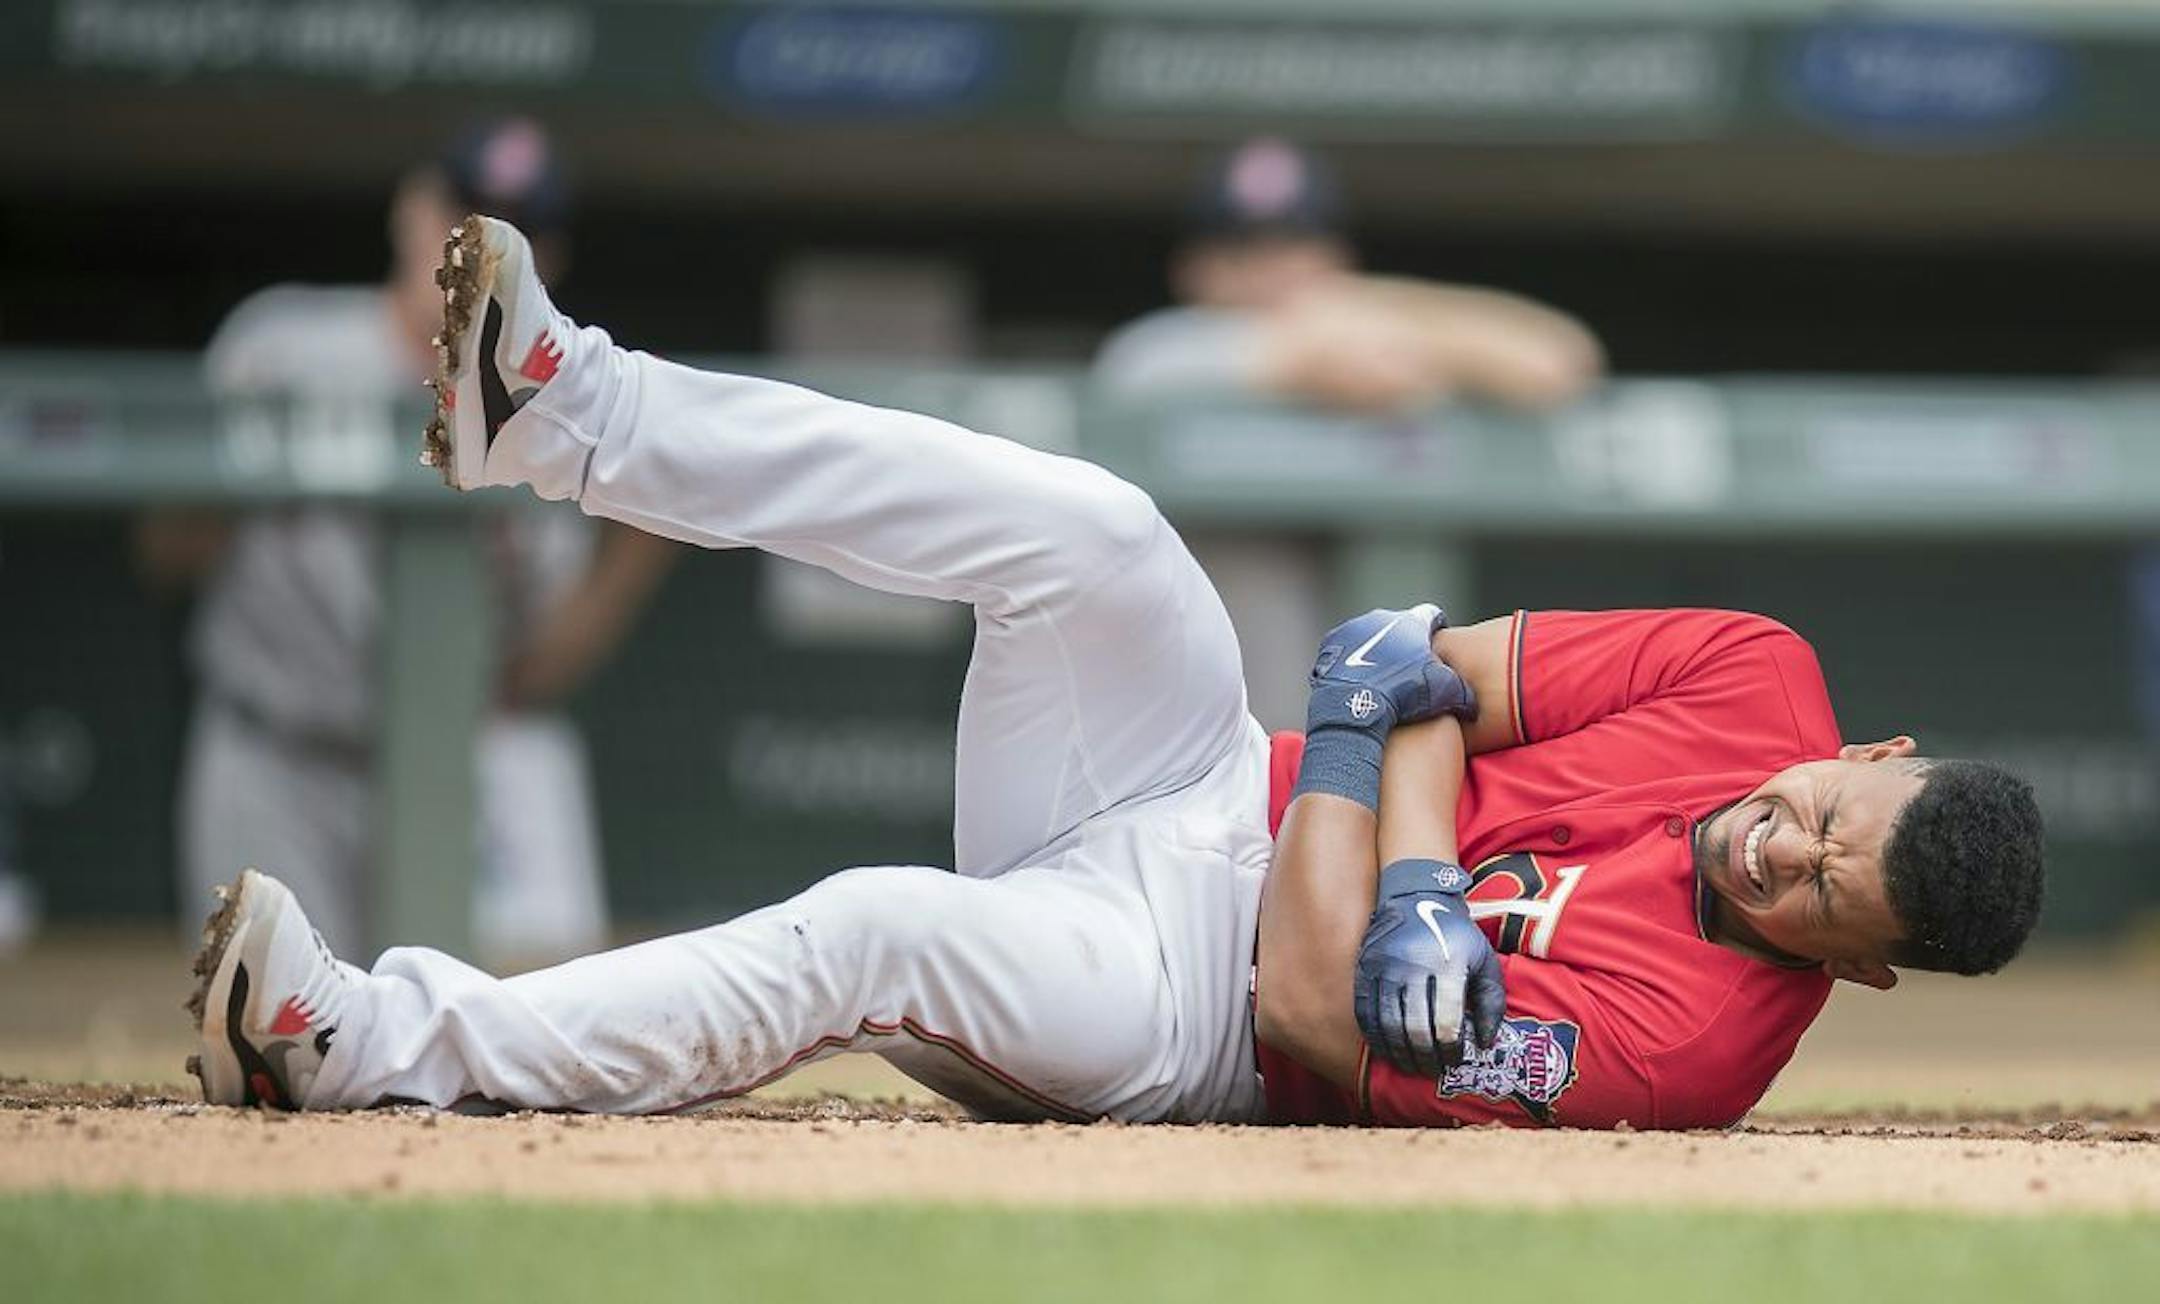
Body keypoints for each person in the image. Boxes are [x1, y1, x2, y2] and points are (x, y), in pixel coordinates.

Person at [183, 215, 2045, 1129]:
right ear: (1867, 745)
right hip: (1198, 778)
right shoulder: (1754, 677)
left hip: (1180, 1014)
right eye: (1828, 812)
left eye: (1821, 894)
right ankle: (567, 410)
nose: (1783, 848)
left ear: (1858, 965)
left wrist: (1378, 769)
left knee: (876, 928)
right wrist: (1406, 853)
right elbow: (1396, 656)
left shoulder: (1695, 1053)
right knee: (1092, 527)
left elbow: (1316, 1008)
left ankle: (356, 1043)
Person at [139, 121, 673, 964]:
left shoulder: (544, 417)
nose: (472, 250)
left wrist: (635, 555)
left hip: (437, 775)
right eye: (460, 215)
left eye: (510, 234)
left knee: (424, 1049)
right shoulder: (282, 348)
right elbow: (166, 554)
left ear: (549, 262)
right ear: (412, 212)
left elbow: (529, 671)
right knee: (262, 1041)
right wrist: (260, 473)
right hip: (270, 750)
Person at [1094, 139, 1604, 729]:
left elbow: (1557, 361)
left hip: (1365, 683)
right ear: (1194, 267)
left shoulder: (1365, 321)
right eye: (1244, 249)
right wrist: (1345, 340)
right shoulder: (1159, 349)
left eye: (1295, 243)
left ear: (1335, 258)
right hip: (1201, 701)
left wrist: (1362, 305)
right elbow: (1329, 364)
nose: (1272, 267)